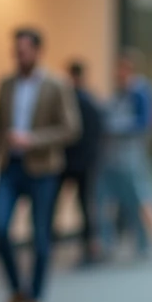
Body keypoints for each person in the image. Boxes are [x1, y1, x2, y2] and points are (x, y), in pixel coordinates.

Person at [0, 28, 80, 302]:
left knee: (39, 238)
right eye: (15, 50)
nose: (18, 55)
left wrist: (32, 139)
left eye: (23, 50)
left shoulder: (56, 84)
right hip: (9, 168)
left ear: (37, 51)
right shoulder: (6, 84)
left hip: (43, 170)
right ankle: (16, 292)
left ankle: (35, 298)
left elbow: (71, 128)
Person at [99, 48, 152, 258]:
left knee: (138, 197)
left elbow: (145, 123)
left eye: (122, 68)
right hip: (113, 157)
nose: (118, 73)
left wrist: (118, 126)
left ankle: (147, 241)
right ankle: (108, 243)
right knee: (109, 199)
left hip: (132, 155)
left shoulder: (141, 91)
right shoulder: (119, 92)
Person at [61, 60, 104, 265]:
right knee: (85, 205)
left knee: (84, 206)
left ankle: (89, 247)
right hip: (80, 162)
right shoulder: (85, 99)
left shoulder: (79, 100)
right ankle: (89, 247)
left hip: (76, 162)